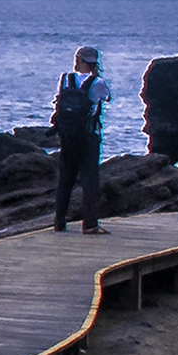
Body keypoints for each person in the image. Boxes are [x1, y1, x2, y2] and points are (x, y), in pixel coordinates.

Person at [54, 47, 111, 234]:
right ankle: (89, 224)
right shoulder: (97, 82)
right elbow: (107, 97)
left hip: (67, 136)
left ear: (77, 59)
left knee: (65, 180)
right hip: (88, 136)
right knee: (89, 181)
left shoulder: (65, 79)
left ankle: (59, 222)